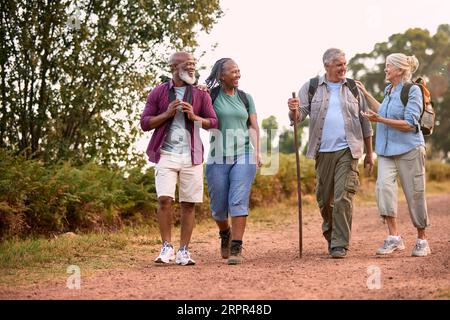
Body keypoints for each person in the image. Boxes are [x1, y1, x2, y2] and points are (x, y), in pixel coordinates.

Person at [287, 48, 374, 259]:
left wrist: (369, 154)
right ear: (326, 66)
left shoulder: (354, 88)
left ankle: (340, 244)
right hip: (322, 151)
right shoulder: (311, 87)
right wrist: (293, 109)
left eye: (344, 64)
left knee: (343, 196)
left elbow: (365, 122)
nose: (343, 68)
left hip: (348, 149)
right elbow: (298, 118)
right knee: (325, 200)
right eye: (338, 65)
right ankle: (332, 235)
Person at [140, 52, 218, 266]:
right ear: (174, 68)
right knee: (164, 200)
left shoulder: (201, 94)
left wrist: (195, 117)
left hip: (192, 156)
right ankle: (167, 247)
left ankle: (184, 250)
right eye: (188, 64)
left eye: (194, 64)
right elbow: (145, 123)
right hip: (165, 154)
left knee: (188, 204)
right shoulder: (158, 92)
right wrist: (166, 114)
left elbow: (213, 122)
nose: (193, 68)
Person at [356, 53, 431, 257]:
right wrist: (365, 94)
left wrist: (379, 120)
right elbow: (383, 112)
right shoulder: (389, 90)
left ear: (399, 70)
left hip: (410, 149)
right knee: (384, 190)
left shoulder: (412, 90)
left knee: (415, 194)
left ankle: (422, 239)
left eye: (388, 66)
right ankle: (394, 237)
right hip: (387, 151)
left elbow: (409, 123)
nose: (385, 69)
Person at [204, 58, 262, 265]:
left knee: (238, 200)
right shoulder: (210, 96)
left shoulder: (246, 98)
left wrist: (258, 152)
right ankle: (225, 233)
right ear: (221, 76)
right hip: (217, 155)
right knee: (218, 208)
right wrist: (199, 94)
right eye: (232, 72)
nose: (237, 75)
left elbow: (253, 125)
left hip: (244, 154)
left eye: (239, 71)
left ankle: (236, 246)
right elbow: (200, 118)